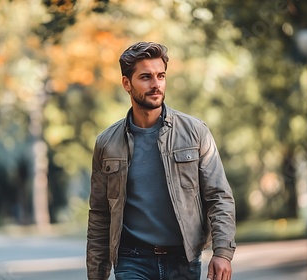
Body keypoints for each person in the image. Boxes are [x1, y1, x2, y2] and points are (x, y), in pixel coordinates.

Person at [87, 41, 236, 280]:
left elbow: (219, 196)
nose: (156, 84)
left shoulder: (195, 132)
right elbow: (100, 214)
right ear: (127, 83)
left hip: (183, 260)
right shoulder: (107, 143)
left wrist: (223, 252)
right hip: (131, 258)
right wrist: (97, 275)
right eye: (145, 77)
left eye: (161, 75)